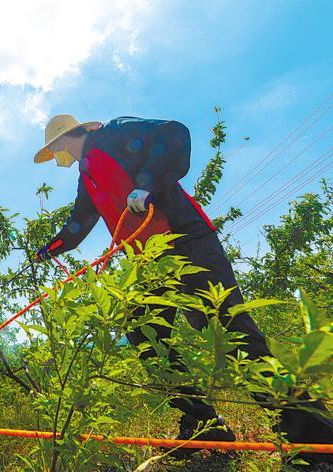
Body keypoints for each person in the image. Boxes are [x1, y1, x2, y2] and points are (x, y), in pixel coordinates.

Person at [34, 114, 333, 465]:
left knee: (236, 332)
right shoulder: (87, 176)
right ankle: (204, 426)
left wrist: (146, 183)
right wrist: (49, 250)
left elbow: (173, 133)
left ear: (69, 137)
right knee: (144, 334)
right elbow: (79, 221)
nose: (58, 155)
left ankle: (313, 437)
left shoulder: (116, 132)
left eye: (57, 147)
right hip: (152, 261)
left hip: (188, 240)